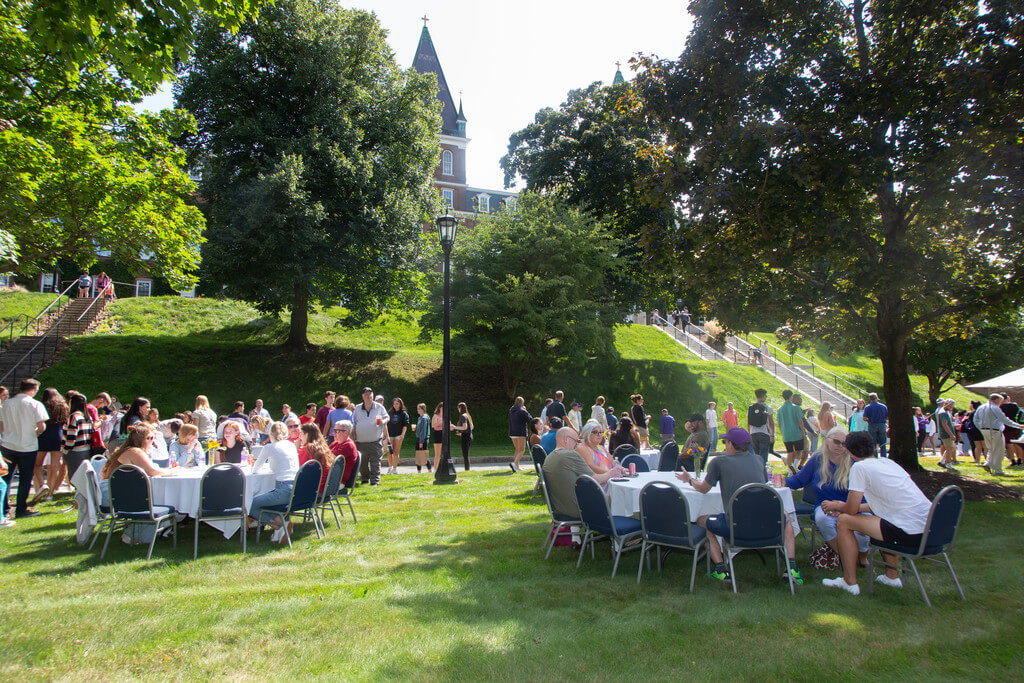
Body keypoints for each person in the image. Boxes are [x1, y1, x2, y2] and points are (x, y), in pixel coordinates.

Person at [677, 427, 803, 585]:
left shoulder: (719, 462)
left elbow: (703, 489)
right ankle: (792, 567)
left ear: (731, 444)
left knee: (701, 520)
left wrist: (688, 479)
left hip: (735, 526)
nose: (724, 445)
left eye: (725, 442)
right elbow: (762, 487)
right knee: (785, 515)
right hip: (766, 525)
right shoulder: (758, 460)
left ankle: (721, 569)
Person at [820, 432, 932, 595]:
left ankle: (849, 581)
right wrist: (845, 507)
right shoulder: (888, 463)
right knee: (880, 518)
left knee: (844, 521)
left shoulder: (859, 467)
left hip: (909, 534)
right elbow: (884, 504)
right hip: (928, 530)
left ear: (849, 452)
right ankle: (891, 576)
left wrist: (837, 505)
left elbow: (851, 509)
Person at [785, 427, 870, 564]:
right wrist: (780, 484)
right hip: (825, 505)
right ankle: (846, 557)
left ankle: (862, 556)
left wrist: (842, 508)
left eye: (844, 444)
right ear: (827, 440)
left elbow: (862, 493)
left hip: (852, 505)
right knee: (823, 520)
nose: (840, 446)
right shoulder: (817, 459)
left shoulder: (853, 462)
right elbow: (799, 480)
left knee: (863, 531)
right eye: (837, 442)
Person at [542, 427, 625, 519]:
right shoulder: (570, 455)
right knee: (621, 497)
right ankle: (626, 530)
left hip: (560, 509)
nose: (576, 445)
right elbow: (595, 480)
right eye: (575, 441)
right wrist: (611, 473)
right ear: (566, 439)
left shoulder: (549, 457)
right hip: (579, 509)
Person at [1, 379, 49, 519]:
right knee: (25, 478)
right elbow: (41, 426)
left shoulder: (6, 404)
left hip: (8, 444)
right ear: (33, 390)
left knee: (6, 478)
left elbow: (1, 426)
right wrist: (35, 433)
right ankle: (21, 508)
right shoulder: (35, 404)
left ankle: (4, 509)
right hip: (27, 446)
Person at [248, 421, 301, 544]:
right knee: (262, 500)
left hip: (283, 490)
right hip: (297, 489)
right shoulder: (291, 445)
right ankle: (282, 526)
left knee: (249, 503)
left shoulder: (269, 447)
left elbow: (255, 469)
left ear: (270, 434)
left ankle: (279, 525)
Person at [974, 393, 1024, 475]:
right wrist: (1019, 426)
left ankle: (988, 463)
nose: (1000, 403)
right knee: (999, 450)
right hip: (994, 431)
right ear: (996, 400)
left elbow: (975, 420)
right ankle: (998, 470)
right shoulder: (995, 407)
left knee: (991, 448)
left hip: (984, 430)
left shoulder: (981, 407)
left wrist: (981, 428)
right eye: (1000, 401)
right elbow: (1004, 419)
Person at [34, 387, 69, 503]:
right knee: (54, 467)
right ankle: (50, 494)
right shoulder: (63, 406)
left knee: (37, 465)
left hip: (43, 436)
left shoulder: (42, 405)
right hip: (58, 437)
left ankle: (41, 487)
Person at [352, 387, 388, 486]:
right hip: (361, 441)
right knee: (363, 463)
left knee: (375, 462)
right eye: (366, 395)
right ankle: (365, 478)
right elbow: (353, 422)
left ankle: (375, 481)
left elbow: (386, 417)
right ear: (363, 396)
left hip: (375, 440)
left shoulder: (379, 407)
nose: (368, 396)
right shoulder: (358, 408)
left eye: (370, 394)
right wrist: (353, 437)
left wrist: (383, 422)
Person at [62, 392, 95, 482]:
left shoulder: (74, 417)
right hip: (87, 450)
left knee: (75, 478)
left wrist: (65, 450)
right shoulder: (88, 417)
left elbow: (71, 437)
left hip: (75, 452)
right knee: (84, 478)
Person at [297, 423, 334, 494]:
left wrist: (296, 449)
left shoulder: (308, 448)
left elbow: (299, 468)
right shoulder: (322, 447)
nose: (299, 437)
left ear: (307, 434)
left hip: (315, 490)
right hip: (326, 487)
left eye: (301, 433)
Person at [777, 390, 806, 475]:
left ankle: (790, 470)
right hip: (796, 433)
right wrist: (803, 432)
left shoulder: (780, 409)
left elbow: (779, 423)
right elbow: (800, 421)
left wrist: (782, 432)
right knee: (799, 451)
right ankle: (795, 465)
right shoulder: (796, 408)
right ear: (791, 396)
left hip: (786, 434)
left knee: (789, 452)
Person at [747, 388, 774, 466]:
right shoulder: (767, 408)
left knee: (757, 454)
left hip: (753, 433)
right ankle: (763, 472)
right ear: (763, 396)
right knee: (763, 455)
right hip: (764, 433)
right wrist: (772, 435)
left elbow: (748, 422)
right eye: (765, 396)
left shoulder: (751, 408)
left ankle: (757, 470)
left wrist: (749, 433)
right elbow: (771, 423)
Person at [329, 419, 359, 485]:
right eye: (333, 430)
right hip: (330, 477)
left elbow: (328, 459)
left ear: (346, 433)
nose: (333, 433)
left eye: (337, 431)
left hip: (338, 481)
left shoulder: (348, 445)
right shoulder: (335, 443)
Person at [385, 398, 410, 475]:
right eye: (394, 403)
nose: (395, 405)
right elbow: (386, 423)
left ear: (400, 404)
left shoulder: (403, 414)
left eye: (397, 404)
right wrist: (386, 435)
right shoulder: (390, 412)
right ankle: (390, 467)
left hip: (398, 435)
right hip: (390, 435)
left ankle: (395, 468)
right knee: (389, 452)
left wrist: (403, 434)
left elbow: (405, 425)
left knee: (396, 451)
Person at [507, 396, 532, 473]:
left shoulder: (511, 410)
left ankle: (517, 466)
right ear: (522, 403)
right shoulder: (522, 411)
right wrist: (525, 410)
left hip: (512, 432)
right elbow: (530, 419)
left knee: (517, 449)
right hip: (520, 432)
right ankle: (514, 464)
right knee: (522, 449)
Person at [862, 392, 889, 458]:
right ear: (876, 398)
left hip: (872, 425)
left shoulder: (867, 407)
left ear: (870, 399)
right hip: (882, 424)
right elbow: (887, 417)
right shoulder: (883, 406)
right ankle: (883, 456)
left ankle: (875, 455)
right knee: (883, 442)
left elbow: (864, 418)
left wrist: (869, 420)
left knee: (873, 442)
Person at [1000, 393, 1024, 467]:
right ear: (1007, 398)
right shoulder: (1014, 405)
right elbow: (1020, 414)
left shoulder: (1000, 407)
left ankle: (1013, 460)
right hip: (1016, 427)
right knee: (1018, 443)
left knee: (1009, 444)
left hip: (1006, 427)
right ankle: (1019, 459)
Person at [451, 402, 474, 471]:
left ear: (460, 408)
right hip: (469, 435)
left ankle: (467, 469)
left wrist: (455, 427)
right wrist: (461, 432)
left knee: (465, 454)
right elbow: (472, 427)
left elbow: (464, 427)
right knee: (466, 454)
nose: (458, 409)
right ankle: (467, 468)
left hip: (466, 437)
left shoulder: (463, 416)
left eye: (458, 408)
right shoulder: (467, 415)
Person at [935, 399, 958, 468]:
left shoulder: (946, 412)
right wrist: (951, 434)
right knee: (949, 449)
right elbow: (944, 424)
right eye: (951, 405)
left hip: (948, 433)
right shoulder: (943, 412)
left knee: (952, 448)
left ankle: (942, 461)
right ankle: (949, 464)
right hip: (946, 434)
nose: (952, 407)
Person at [414, 403, 432, 473]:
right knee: (418, 455)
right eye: (417, 409)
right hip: (418, 438)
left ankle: (429, 470)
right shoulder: (420, 418)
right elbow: (420, 429)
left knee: (424, 455)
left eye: (419, 409)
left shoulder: (424, 418)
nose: (417, 410)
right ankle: (419, 471)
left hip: (423, 439)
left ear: (423, 409)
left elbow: (423, 431)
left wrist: (421, 441)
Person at [430, 402, 444, 471]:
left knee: (444, 453)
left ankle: (442, 468)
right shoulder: (436, 416)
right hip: (437, 433)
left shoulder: (445, 416)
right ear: (439, 408)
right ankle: (435, 468)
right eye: (442, 408)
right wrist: (439, 421)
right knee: (437, 453)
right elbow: (433, 425)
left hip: (444, 434)